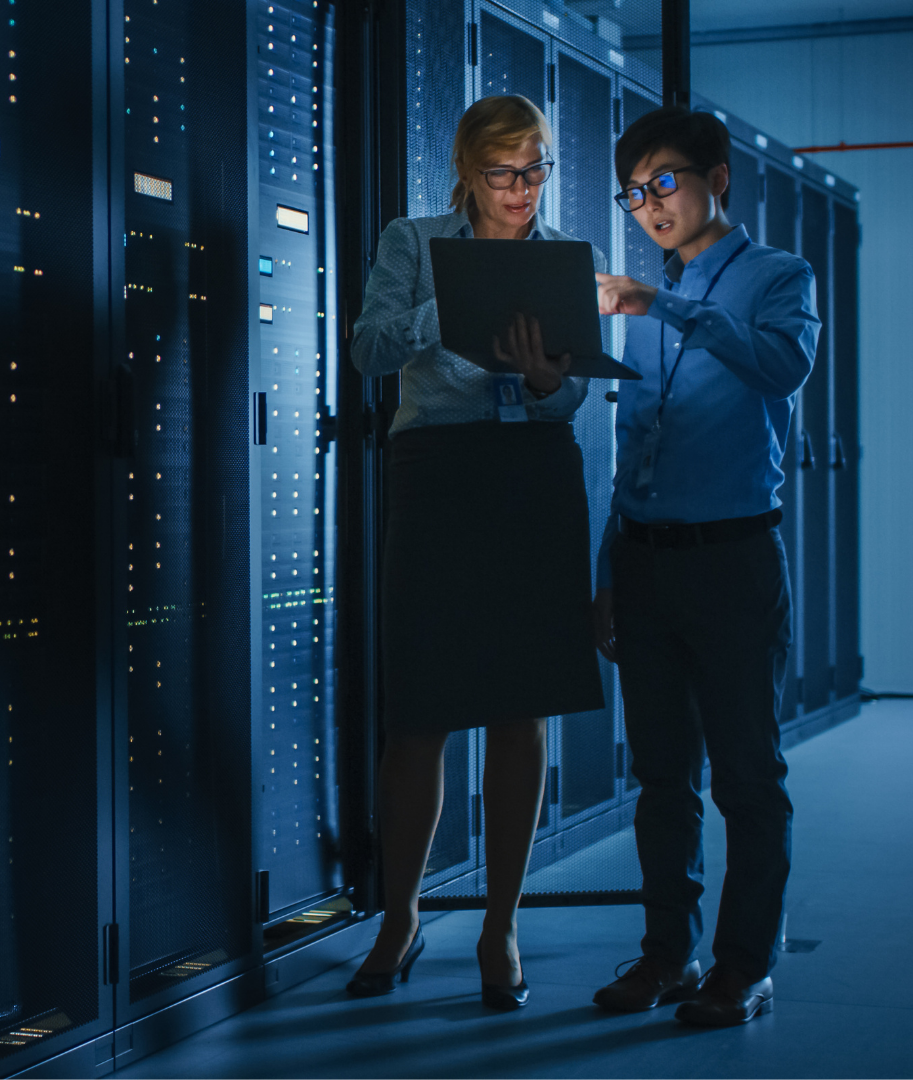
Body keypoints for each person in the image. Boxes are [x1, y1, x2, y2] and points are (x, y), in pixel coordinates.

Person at [347, 95, 606, 1010]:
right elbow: (369, 349)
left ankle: (502, 924)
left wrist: (545, 382)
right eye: (505, 174)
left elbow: (572, 400)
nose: (523, 191)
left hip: (532, 473)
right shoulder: (412, 240)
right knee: (419, 710)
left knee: (521, 706)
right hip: (438, 473)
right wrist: (446, 307)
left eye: (536, 170)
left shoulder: (572, 258)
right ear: (466, 172)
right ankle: (401, 915)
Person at [589, 106, 818, 1026]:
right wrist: (608, 569)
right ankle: (664, 956)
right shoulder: (640, 309)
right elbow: (633, 446)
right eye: (636, 193)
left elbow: (782, 368)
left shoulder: (779, 276)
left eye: (666, 183)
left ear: (718, 177)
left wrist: (666, 305)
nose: (650, 207)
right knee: (661, 775)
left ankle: (744, 966)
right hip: (645, 565)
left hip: (733, 561)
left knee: (747, 779)